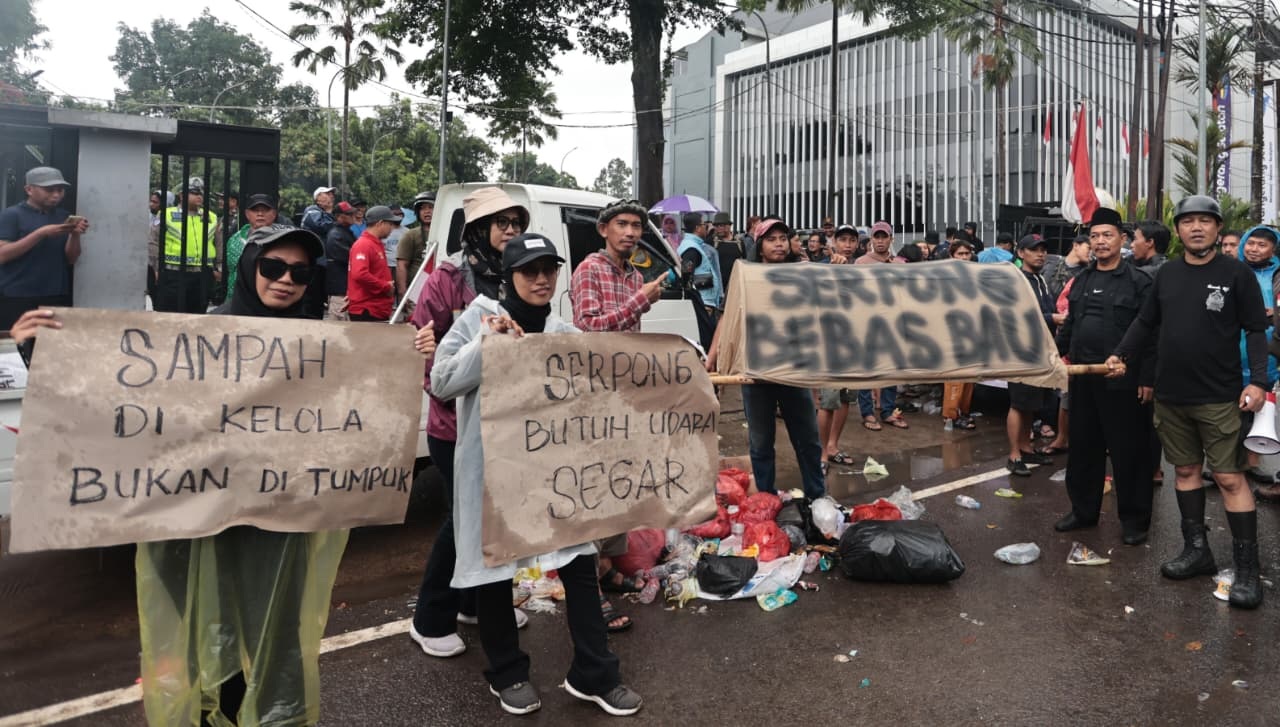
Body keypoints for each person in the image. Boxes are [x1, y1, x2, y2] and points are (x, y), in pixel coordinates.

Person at [15, 224, 419, 725]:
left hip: (276, 528)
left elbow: (363, 414)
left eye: (299, 271)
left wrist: (406, 357)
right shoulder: (199, 337)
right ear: (248, 269)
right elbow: (110, 402)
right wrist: (40, 350)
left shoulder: (320, 344)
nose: (286, 280)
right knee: (209, 636)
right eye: (273, 267)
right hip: (198, 527)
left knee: (275, 634)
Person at [432, 233, 643, 717]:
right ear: (509, 277)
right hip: (493, 477)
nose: (542, 279)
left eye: (549, 269)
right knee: (494, 572)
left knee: (578, 565)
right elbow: (442, 382)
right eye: (530, 270)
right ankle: (507, 673)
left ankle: (596, 672)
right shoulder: (476, 320)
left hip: (554, 477)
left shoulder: (565, 335)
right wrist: (489, 344)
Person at [1107, 194, 1267, 609]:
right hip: (1171, 395)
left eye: (1204, 221)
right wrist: (1120, 354)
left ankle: (1247, 568)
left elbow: (1254, 331)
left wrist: (1261, 383)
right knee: (1185, 471)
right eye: (1188, 221)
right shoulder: (1167, 275)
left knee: (1231, 478)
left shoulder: (1237, 274)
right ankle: (1197, 550)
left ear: (1217, 228)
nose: (1196, 228)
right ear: (1177, 231)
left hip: (1219, 395)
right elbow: (1146, 322)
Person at [409, 187, 532, 660]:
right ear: (477, 230)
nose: (510, 231)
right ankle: (430, 617)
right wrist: (446, 396)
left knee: (494, 517)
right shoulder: (446, 281)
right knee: (460, 522)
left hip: (504, 425)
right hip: (454, 427)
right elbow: (427, 356)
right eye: (501, 223)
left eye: (516, 223)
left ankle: (478, 604)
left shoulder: (519, 275)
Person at [569, 198, 666, 630]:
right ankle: (589, 591)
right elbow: (588, 328)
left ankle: (606, 570)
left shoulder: (635, 274)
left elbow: (631, 338)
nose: (630, 232)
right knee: (593, 487)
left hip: (626, 395)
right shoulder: (590, 269)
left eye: (636, 226)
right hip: (595, 397)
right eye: (622, 225)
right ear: (603, 229)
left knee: (619, 486)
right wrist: (640, 302)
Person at [1053, 208, 1156, 544]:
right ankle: (1083, 512)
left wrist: (1147, 378)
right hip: (1083, 379)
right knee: (1083, 449)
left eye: (1107, 235)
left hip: (1123, 382)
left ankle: (1134, 521)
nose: (1099, 242)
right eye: (1094, 236)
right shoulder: (1081, 279)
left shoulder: (1140, 282)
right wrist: (1054, 358)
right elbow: (1070, 325)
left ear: (1122, 239)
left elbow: (1152, 333)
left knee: (1129, 452)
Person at [707, 217, 825, 500]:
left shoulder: (803, 274)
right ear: (760, 246)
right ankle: (766, 499)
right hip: (756, 372)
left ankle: (817, 497)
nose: (779, 244)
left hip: (794, 371)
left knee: (808, 440)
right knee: (760, 442)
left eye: (783, 238)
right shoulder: (746, 276)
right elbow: (726, 318)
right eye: (771, 239)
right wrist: (712, 358)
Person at [0, 166, 86, 330]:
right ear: (29, 189)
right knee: (18, 350)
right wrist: (40, 234)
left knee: (50, 351)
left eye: (60, 190)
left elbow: (71, 258)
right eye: (49, 189)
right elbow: (2, 255)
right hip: (16, 296)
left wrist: (75, 234)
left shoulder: (62, 216)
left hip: (55, 295)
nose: (56, 195)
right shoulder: (11, 215)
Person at [1005, 234, 1058, 476]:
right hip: (1020, 351)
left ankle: (1026, 446)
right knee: (1018, 403)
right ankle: (1014, 454)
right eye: (1034, 249)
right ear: (1021, 252)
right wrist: (1053, 318)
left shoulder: (1040, 279)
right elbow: (1018, 315)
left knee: (1031, 404)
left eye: (1043, 249)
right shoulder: (1017, 280)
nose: (1040, 254)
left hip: (1041, 351)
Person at [1234, 226, 1280, 486]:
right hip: (1230, 351)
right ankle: (1227, 464)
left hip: (1267, 352)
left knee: (1257, 409)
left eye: (1262, 245)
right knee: (1228, 411)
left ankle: (1251, 463)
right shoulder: (1230, 270)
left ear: (1273, 250)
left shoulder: (1277, 275)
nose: (1254, 249)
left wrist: (1272, 313)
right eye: (1250, 243)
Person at [854, 222, 908, 430]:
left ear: (890, 239)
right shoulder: (860, 263)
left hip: (893, 323)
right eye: (876, 237)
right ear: (871, 239)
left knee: (891, 368)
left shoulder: (900, 265)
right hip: (867, 323)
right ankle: (867, 412)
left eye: (884, 237)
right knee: (867, 369)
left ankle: (888, 410)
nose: (880, 240)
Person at [817, 225, 859, 465]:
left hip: (851, 341)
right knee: (828, 400)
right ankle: (821, 452)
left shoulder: (859, 270)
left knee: (845, 397)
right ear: (834, 242)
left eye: (852, 240)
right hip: (828, 342)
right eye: (843, 239)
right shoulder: (823, 267)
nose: (848, 244)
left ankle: (833, 446)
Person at [154, 177, 221, 314]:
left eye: (201, 193)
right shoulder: (167, 214)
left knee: (197, 317)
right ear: (182, 196)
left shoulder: (211, 217)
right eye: (194, 193)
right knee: (171, 315)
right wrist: (155, 267)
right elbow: (153, 242)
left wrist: (219, 267)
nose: (199, 196)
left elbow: (219, 244)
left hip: (203, 276)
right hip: (174, 274)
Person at [942, 238, 978, 430]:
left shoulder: (975, 275)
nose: (964, 257)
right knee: (954, 377)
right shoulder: (946, 277)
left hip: (971, 331)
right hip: (952, 332)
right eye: (960, 254)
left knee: (969, 376)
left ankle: (964, 412)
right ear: (952, 256)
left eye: (967, 253)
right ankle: (951, 415)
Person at [347, 205, 400, 321]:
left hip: (376, 309)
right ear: (380, 223)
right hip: (367, 310)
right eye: (390, 224)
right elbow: (359, 274)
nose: (392, 228)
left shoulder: (375, 244)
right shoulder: (364, 244)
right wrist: (385, 286)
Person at [224, 194, 280, 298]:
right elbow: (232, 273)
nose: (260, 214)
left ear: (274, 214)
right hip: (239, 299)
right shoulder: (234, 241)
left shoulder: (284, 240)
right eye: (255, 210)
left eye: (265, 210)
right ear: (247, 214)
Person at [678, 212, 723, 327]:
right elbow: (686, 275)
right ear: (698, 228)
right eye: (705, 225)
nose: (707, 227)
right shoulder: (691, 248)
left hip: (705, 303)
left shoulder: (694, 245)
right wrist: (700, 303)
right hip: (703, 304)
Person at [396, 191, 436, 304]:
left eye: (431, 207)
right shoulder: (410, 235)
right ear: (418, 212)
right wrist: (402, 294)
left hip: (439, 289)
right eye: (423, 208)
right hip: (416, 290)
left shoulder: (446, 233)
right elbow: (401, 265)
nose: (427, 211)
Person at [324, 202, 357, 321]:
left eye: (353, 212)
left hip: (345, 290)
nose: (353, 215)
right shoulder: (335, 235)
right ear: (339, 216)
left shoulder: (346, 232)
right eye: (349, 214)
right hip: (339, 291)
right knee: (338, 329)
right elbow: (352, 259)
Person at [710, 211, 748, 290]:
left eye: (722, 225)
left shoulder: (739, 242)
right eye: (716, 226)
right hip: (716, 287)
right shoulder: (710, 242)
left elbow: (745, 262)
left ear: (729, 226)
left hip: (735, 284)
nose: (719, 228)